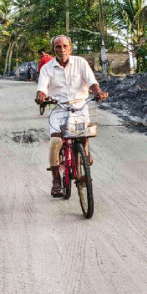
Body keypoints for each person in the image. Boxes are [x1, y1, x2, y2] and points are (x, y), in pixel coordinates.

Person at [35, 35, 108, 197]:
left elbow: (92, 83)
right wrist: (41, 96)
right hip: (58, 108)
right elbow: (42, 88)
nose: (62, 50)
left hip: (79, 106)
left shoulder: (80, 63)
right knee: (55, 142)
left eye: (64, 46)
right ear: (53, 49)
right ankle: (56, 180)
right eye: (58, 47)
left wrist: (98, 93)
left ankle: (85, 152)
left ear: (70, 48)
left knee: (82, 136)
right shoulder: (47, 68)